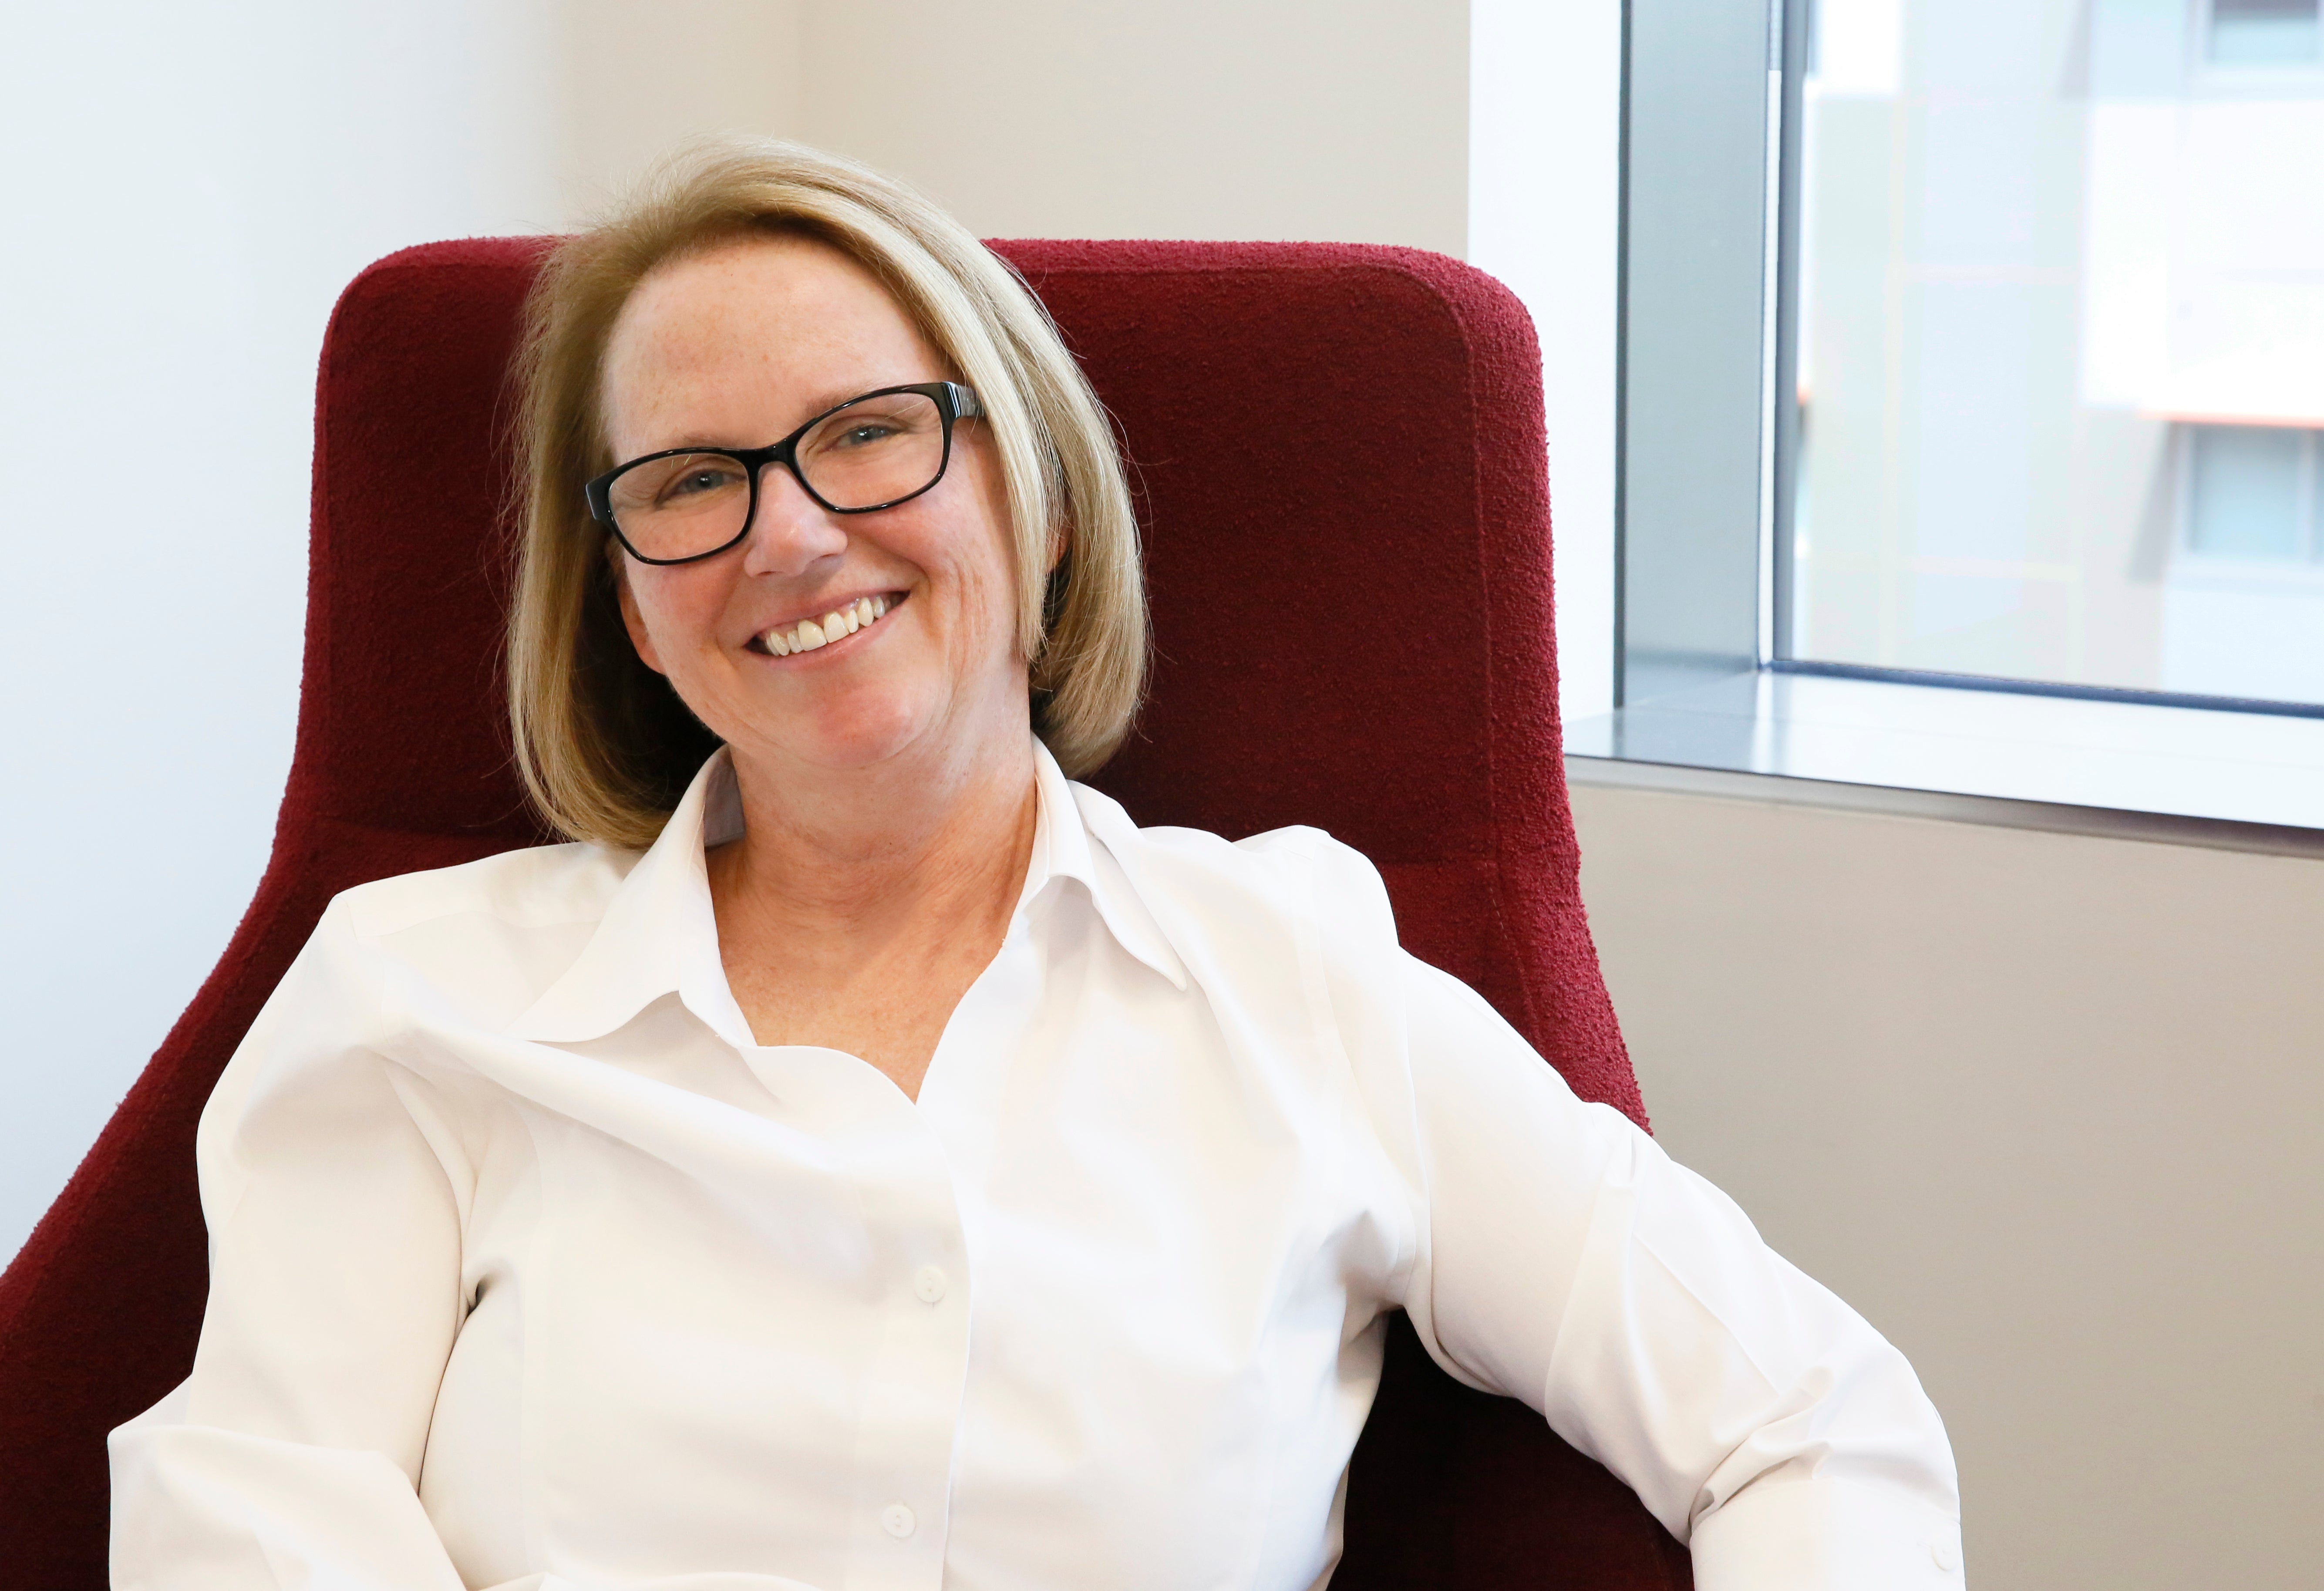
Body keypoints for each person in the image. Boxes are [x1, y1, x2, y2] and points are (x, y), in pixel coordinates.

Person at [109, 138, 1963, 1590]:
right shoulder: (420, 992)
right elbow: (249, 1511)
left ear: (1042, 499)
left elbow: (1806, 1418)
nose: (794, 531)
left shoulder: (1292, 975)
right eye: (689, 479)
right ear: (633, 615)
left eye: (870, 433)